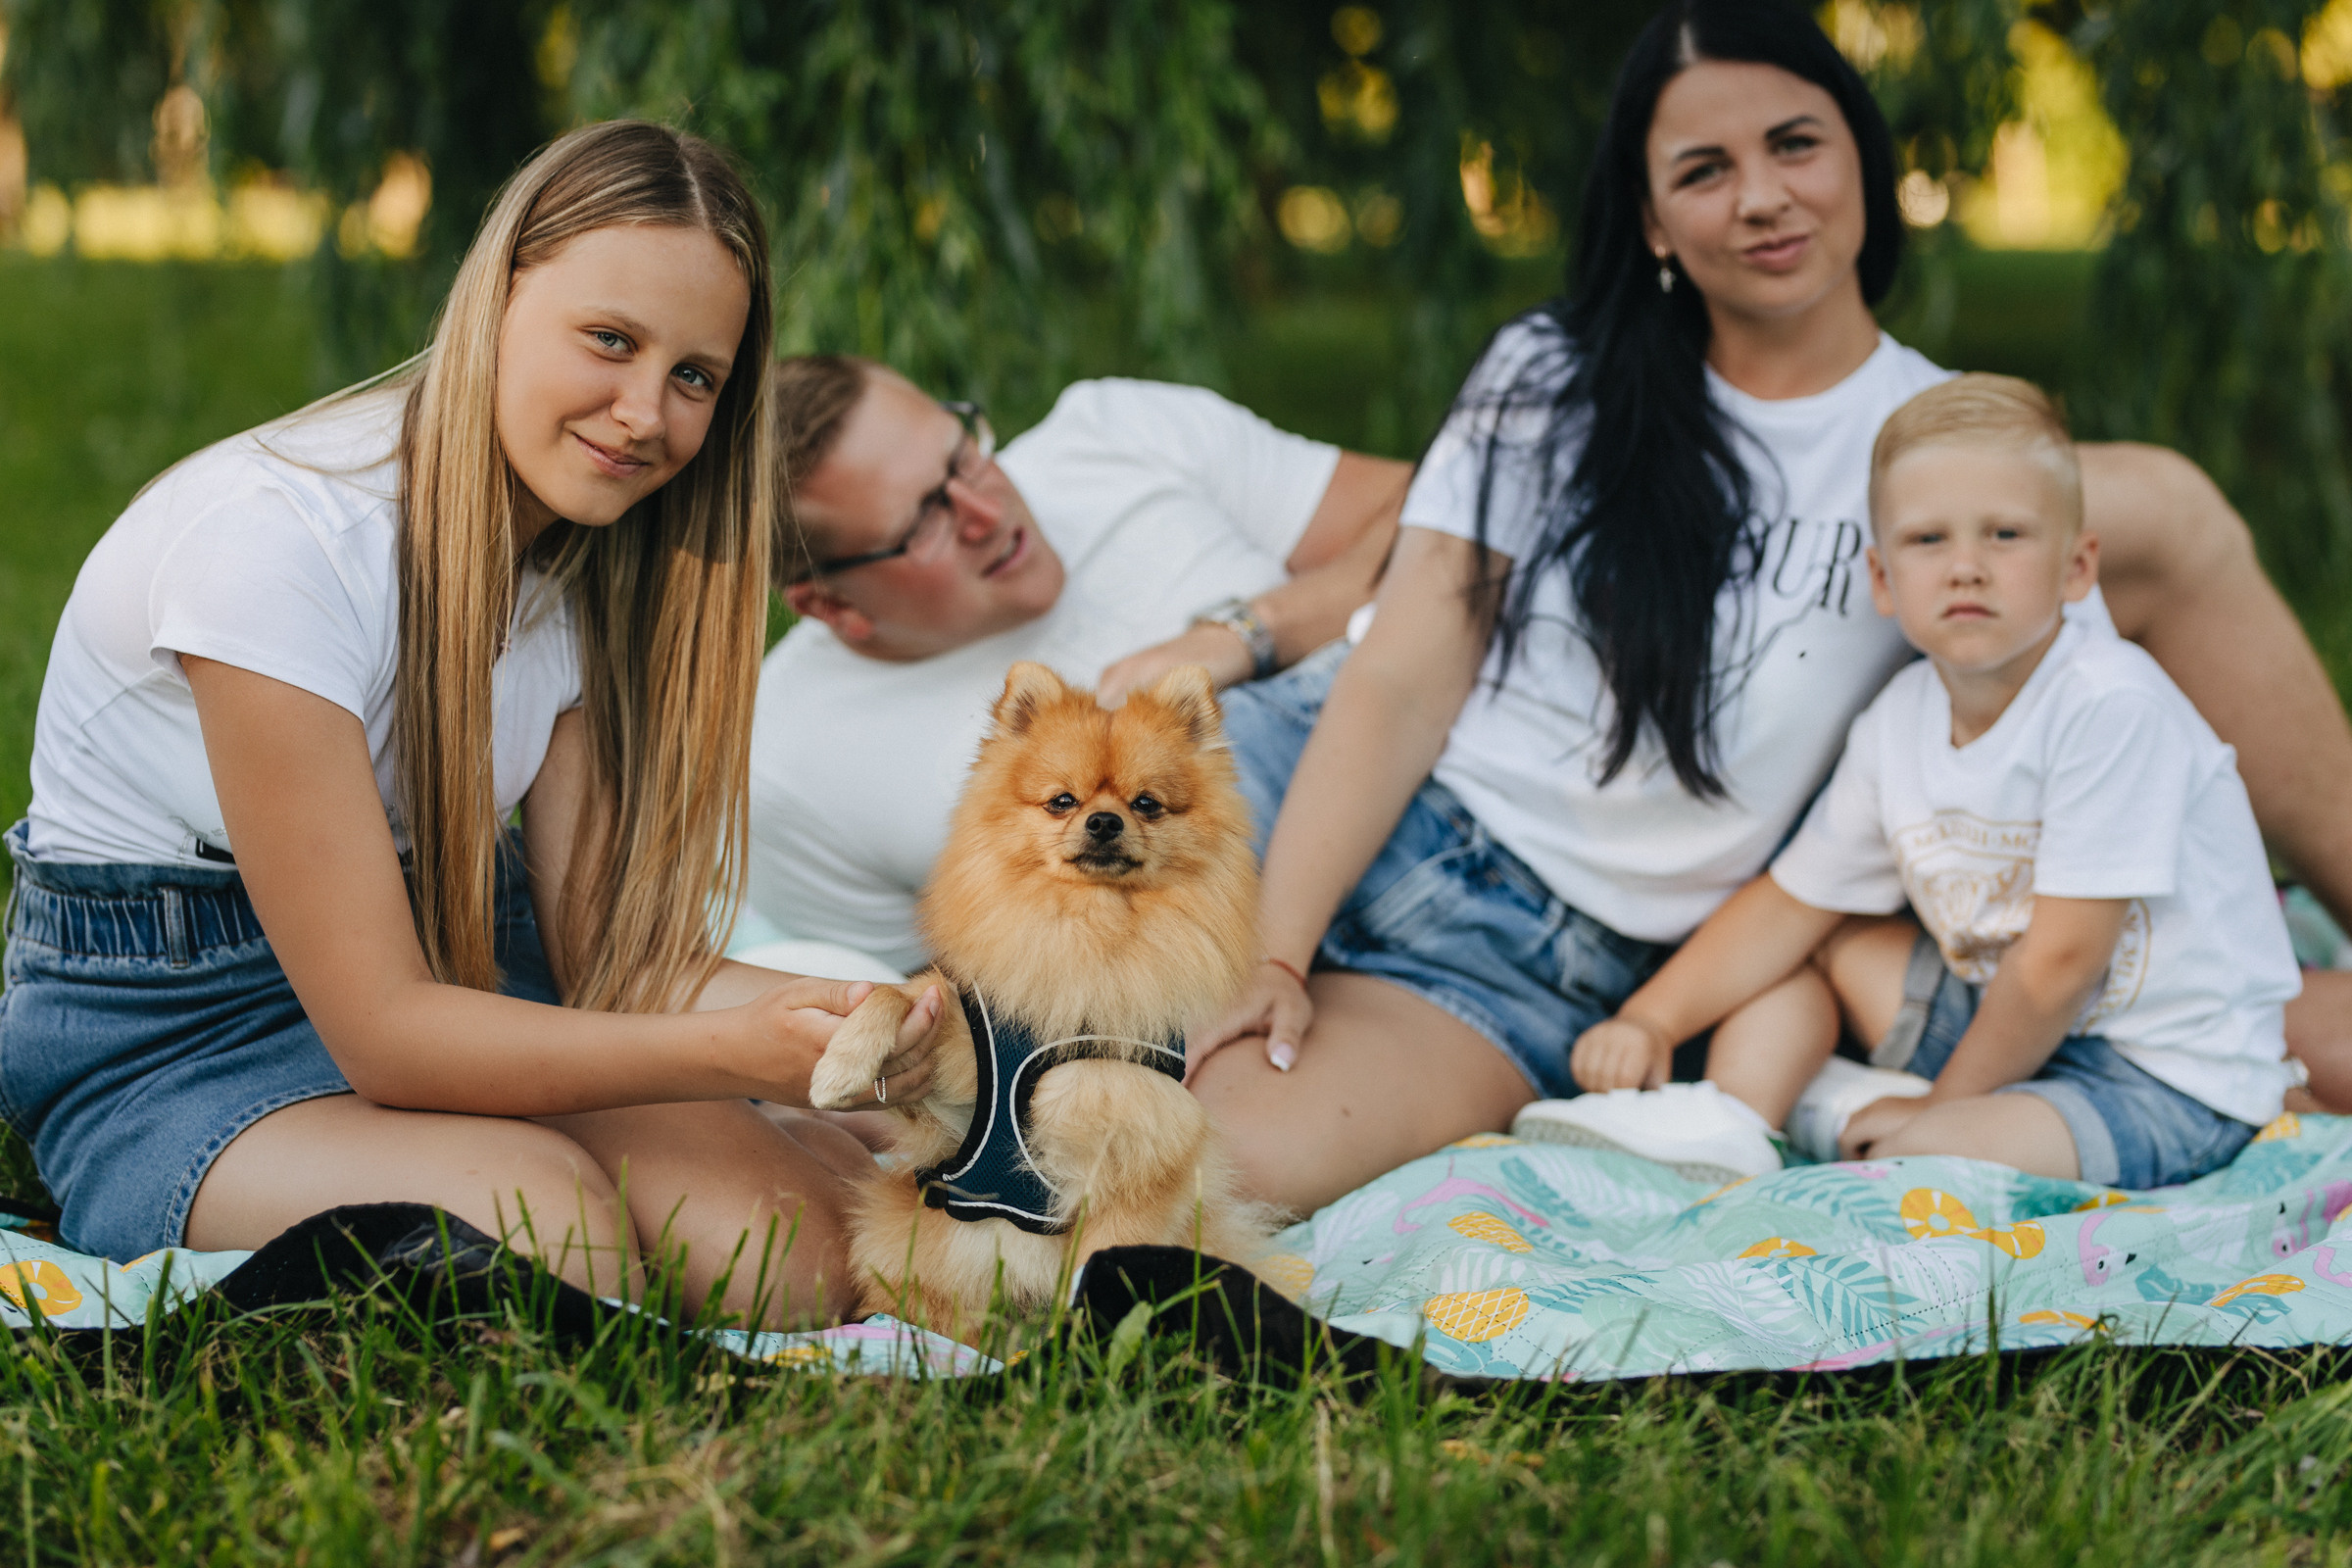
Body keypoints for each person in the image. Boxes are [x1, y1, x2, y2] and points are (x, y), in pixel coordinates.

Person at [1188, 0, 2352, 1218]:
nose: (1760, 197)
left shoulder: (1949, 471)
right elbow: (1399, 676)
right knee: (1063, 983)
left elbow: (2085, 693)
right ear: (1651, 219)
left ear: (1862, 160)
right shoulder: (1552, 377)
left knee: (1219, 1166)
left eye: (1796, 145)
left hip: (1533, 961)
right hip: (1320, 794)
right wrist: (1277, 950)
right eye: (1704, 170)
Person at [0, 122, 943, 1325]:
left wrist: (868, 1020)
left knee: (793, 1258)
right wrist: (735, 1058)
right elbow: (388, 1034)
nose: (645, 414)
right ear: (496, 297)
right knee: (554, 1235)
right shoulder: (275, 549)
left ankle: (789, 1132)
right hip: (184, 1031)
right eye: (611, 340)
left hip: (461, 962)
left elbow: (616, 958)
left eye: (695, 377)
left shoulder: (584, 566)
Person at [1543, 374, 2297, 1190]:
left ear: (2077, 567)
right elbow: (1793, 904)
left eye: (2005, 534)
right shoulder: (1899, 720)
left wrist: (1942, 1105)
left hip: (2162, 1077)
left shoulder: (2110, 706)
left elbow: (2061, 963)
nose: (1966, 567)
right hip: (2002, 1019)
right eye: (1928, 540)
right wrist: (1651, 1017)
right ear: (1882, 579)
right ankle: (1731, 1121)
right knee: (1812, 944)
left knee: (1926, 1161)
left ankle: (1850, 1114)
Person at [746, 357, 1407, 972]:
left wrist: (1244, 635)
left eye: (961, 455)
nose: (986, 511)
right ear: (831, 604)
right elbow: (936, 1007)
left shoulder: (1118, 433)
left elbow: (1435, 525)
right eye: (923, 524)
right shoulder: (784, 768)